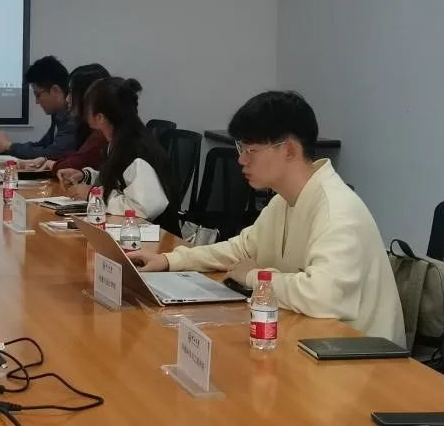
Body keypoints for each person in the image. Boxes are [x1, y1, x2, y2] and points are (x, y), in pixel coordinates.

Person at [128, 91, 405, 346]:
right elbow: (241, 249)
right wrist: (170, 260)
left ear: (290, 149)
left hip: (360, 355)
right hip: (313, 339)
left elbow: (322, 296)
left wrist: (254, 277)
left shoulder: (337, 210)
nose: (241, 160)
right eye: (241, 148)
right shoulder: (282, 200)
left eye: (251, 150)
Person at [56, 77, 176, 228]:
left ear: (99, 117)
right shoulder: (120, 140)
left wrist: (93, 195)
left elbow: (143, 208)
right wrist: (86, 176)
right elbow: (120, 182)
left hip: (157, 237)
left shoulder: (135, 149)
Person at [0, 56, 78, 160]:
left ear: (55, 90)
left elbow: (50, 154)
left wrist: (8, 146)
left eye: (38, 95)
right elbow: (42, 146)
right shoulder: (58, 114)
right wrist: (5, 146)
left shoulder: (73, 117)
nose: (37, 102)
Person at [23, 63, 110, 176]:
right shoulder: (84, 125)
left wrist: (52, 163)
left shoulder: (103, 131)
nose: (67, 99)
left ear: (88, 97)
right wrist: (46, 160)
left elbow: (79, 162)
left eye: (71, 93)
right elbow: (74, 155)